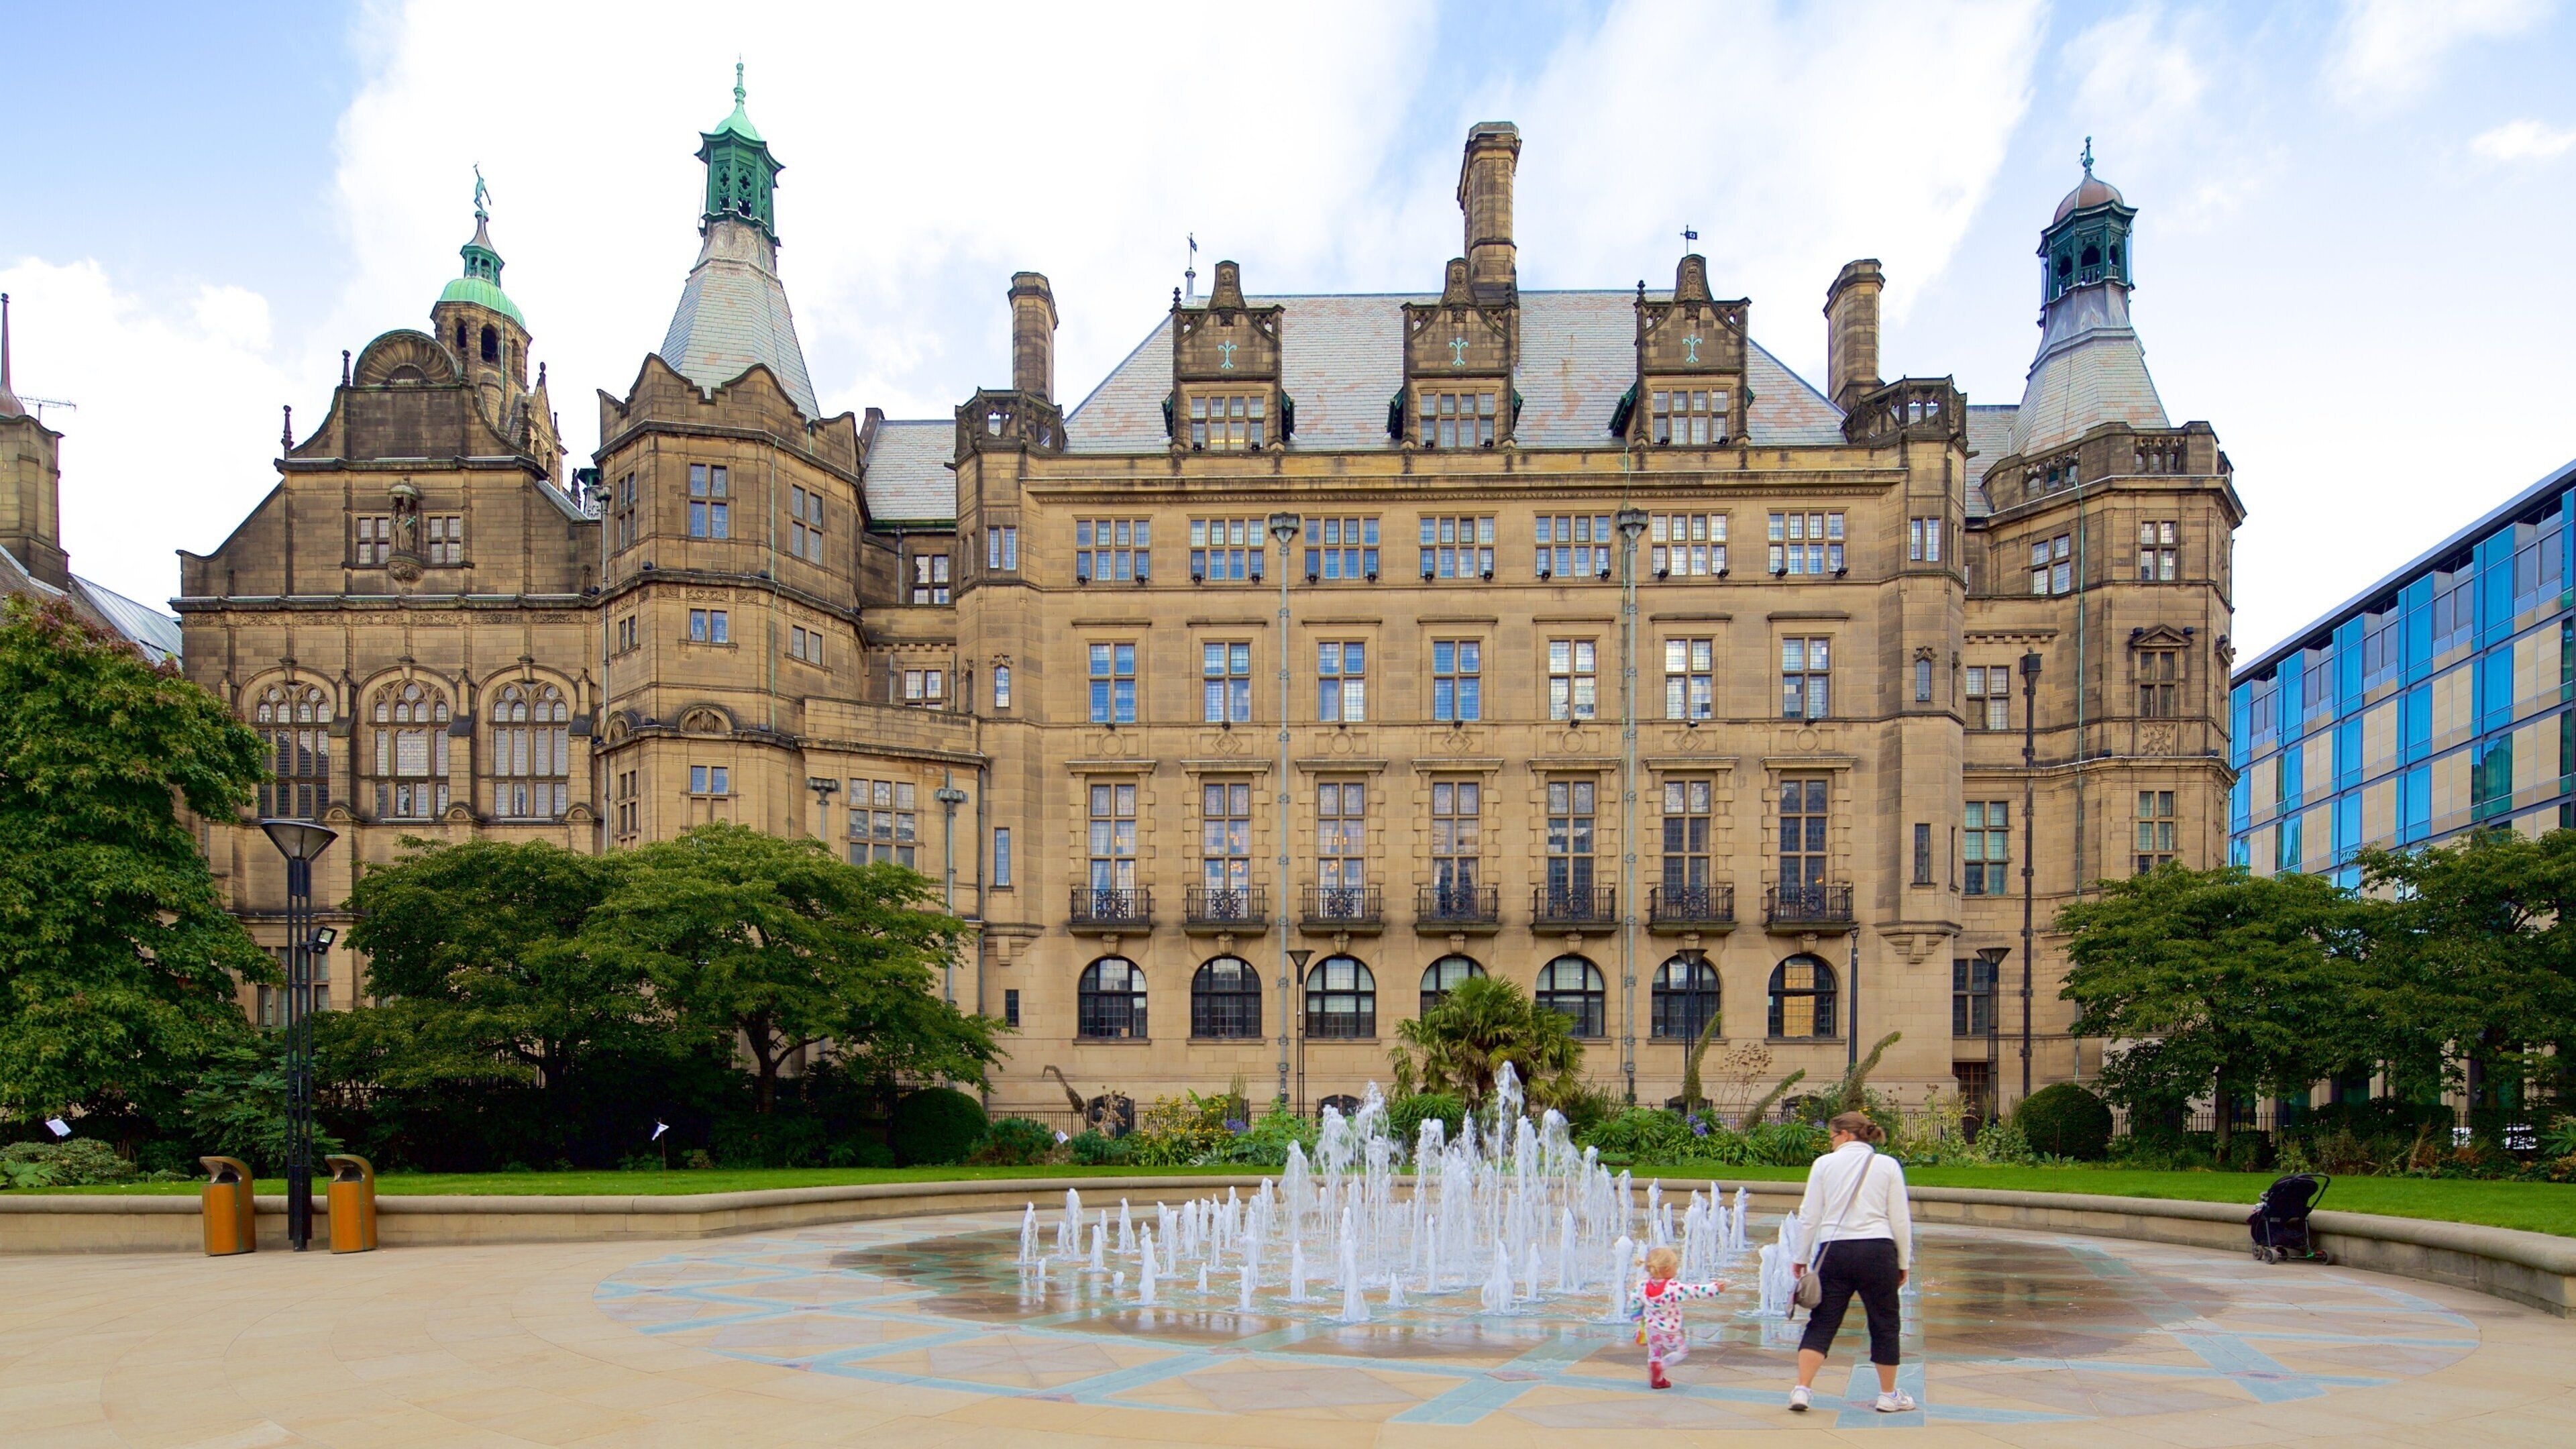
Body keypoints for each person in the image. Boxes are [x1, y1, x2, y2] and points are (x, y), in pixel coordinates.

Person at [1787, 1111, 1915, 1414]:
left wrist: (1801, 1257)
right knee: (1884, 1323)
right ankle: (1888, 1395)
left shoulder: (1824, 1165)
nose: (1830, 1143)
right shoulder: (1887, 1165)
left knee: (1822, 1322)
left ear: (1845, 1135)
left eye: (1832, 1137)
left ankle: (1802, 1389)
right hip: (1878, 1250)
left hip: (1834, 1251)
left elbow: (1810, 1215)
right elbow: (1900, 1217)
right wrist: (1903, 1260)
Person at [1633, 1244, 1727, 1389]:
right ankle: (1661, 1366)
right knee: (1681, 1351)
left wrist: (1637, 1316)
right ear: (1666, 1269)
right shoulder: (1672, 1287)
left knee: (1654, 1354)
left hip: (1651, 1329)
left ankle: (1657, 1379)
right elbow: (1694, 1291)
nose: (1676, 1270)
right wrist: (1714, 1288)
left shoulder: (1642, 1286)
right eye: (1675, 1266)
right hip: (1669, 1331)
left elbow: (1634, 1301)